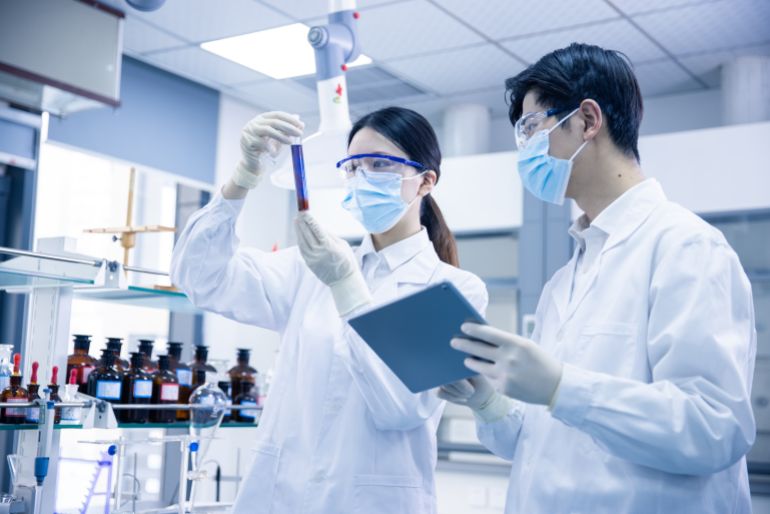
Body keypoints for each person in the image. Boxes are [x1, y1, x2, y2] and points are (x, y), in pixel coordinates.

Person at [439, 43, 756, 513]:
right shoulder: (563, 281)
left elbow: (713, 428)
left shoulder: (686, 247)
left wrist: (562, 387)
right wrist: (486, 399)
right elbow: (541, 443)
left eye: (531, 128)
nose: (524, 149)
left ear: (588, 120)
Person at [170, 107, 488, 514]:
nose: (361, 178)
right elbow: (199, 276)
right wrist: (242, 179)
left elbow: (400, 407)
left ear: (426, 181)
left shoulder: (453, 290)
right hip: (278, 497)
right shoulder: (309, 268)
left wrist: (346, 287)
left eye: (378, 165)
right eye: (352, 167)